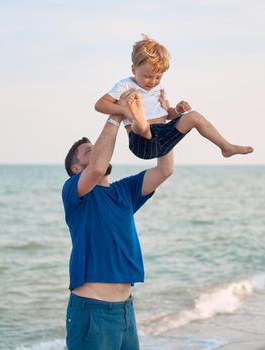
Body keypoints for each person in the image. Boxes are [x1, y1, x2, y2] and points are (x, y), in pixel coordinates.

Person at [62, 90, 174, 349]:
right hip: (91, 311)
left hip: (126, 310)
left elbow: (165, 170)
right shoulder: (73, 191)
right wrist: (116, 113)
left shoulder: (124, 191)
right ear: (76, 170)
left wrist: (159, 122)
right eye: (90, 150)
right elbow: (98, 167)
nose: (98, 150)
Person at [95, 34, 254, 160]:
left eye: (158, 77)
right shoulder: (125, 85)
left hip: (163, 138)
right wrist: (126, 111)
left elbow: (167, 115)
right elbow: (100, 105)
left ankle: (226, 147)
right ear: (133, 69)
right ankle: (139, 117)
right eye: (148, 76)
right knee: (141, 124)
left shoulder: (159, 88)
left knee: (194, 116)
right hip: (141, 142)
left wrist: (177, 111)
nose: (153, 82)